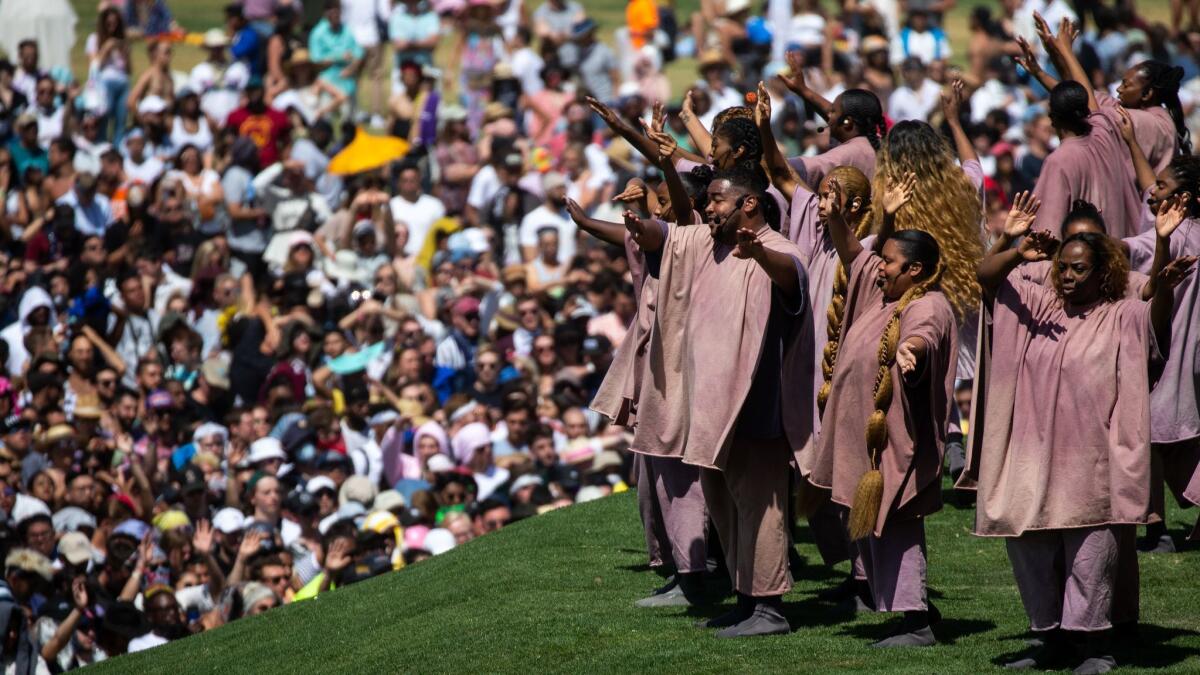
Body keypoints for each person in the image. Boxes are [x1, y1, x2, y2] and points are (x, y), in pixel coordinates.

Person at [967, 192, 1192, 673]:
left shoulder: (1120, 314)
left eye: (1078, 269)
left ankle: (1091, 644)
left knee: (1089, 553)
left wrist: (1162, 243)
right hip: (1033, 457)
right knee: (1029, 544)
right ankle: (1046, 637)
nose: (1067, 277)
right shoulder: (1036, 303)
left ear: (1103, 273)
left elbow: (1156, 318)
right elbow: (984, 278)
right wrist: (1012, 245)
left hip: (1091, 459)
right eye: (1063, 267)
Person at [623, 163, 810, 637]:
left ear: (748, 203)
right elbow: (663, 235)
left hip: (756, 407)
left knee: (761, 508)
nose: (708, 208)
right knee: (726, 508)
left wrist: (760, 255)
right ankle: (747, 600)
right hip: (708, 411)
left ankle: (769, 609)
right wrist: (637, 222)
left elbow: (791, 276)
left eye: (717, 200)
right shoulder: (708, 243)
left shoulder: (779, 249)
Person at [814, 162, 958, 647]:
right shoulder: (885, 290)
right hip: (865, 435)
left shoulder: (926, 303)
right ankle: (910, 609)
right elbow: (853, 251)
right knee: (872, 526)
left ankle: (915, 623)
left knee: (895, 524)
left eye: (890, 262)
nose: (881, 269)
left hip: (899, 442)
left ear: (913, 270)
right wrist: (847, 217)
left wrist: (911, 351)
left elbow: (925, 333)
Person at [1019, 15, 1142, 237]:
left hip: (1085, 264)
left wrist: (1058, 54)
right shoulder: (1103, 131)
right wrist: (1061, 52)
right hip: (1125, 258)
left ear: (1052, 118)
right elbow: (1082, 94)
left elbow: (1046, 232)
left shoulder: (1059, 160)